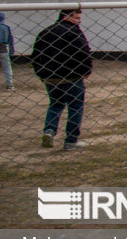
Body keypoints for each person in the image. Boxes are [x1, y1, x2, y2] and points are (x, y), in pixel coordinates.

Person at [32, 9, 93, 149]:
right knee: (75, 107)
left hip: (50, 77)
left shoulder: (45, 32)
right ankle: (71, 140)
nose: (79, 21)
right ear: (67, 17)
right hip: (71, 77)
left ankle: (49, 130)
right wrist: (86, 69)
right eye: (77, 18)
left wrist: (40, 72)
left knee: (55, 104)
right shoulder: (74, 32)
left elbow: (35, 54)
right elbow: (83, 51)